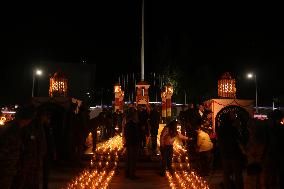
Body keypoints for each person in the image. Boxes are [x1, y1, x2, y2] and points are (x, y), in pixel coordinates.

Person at [0, 105, 36, 189]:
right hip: (6, 170)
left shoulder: (14, 128)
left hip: (10, 169)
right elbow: (4, 151)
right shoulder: (13, 130)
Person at [12, 108, 47, 189]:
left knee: (32, 179)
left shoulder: (38, 125)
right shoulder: (29, 126)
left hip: (33, 157)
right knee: (23, 179)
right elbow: (31, 140)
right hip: (27, 158)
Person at [217, 111, 246, 189]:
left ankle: (227, 186)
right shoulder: (233, 128)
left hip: (225, 153)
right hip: (234, 153)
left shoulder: (220, 129)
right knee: (237, 173)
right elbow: (239, 139)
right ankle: (238, 186)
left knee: (226, 173)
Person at [124, 108, 140, 179]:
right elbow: (133, 135)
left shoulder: (128, 124)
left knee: (129, 159)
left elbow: (126, 134)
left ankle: (128, 173)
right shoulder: (132, 125)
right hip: (133, 144)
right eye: (136, 116)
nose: (137, 117)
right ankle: (131, 174)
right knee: (132, 160)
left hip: (129, 143)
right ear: (133, 116)